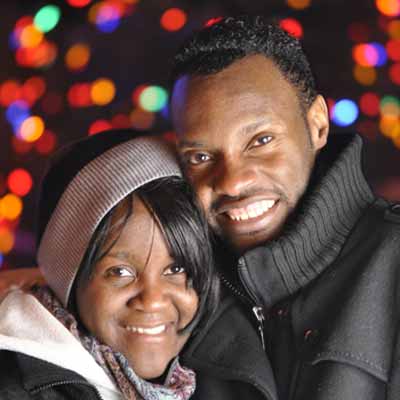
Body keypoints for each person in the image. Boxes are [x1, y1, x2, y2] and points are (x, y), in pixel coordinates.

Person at [170, 15, 400, 400]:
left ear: (317, 126)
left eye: (260, 140)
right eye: (200, 156)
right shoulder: (179, 298)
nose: (232, 181)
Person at [0, 129, 223, 399]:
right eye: (120, 272)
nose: (152, 300)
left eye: (175, 269)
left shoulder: (216, 369)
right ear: (67, 280)